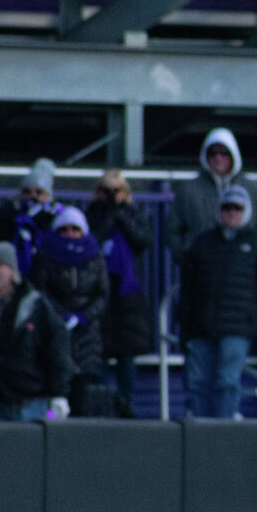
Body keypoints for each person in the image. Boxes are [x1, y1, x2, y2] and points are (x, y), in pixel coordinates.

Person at [178, 185, 257, 419]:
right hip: (201, 327)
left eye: (237, 208)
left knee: (226, 381)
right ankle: (198, 435)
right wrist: (185, 327)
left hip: (237, 327)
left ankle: (223, 434)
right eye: (226, 207)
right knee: (197, 382)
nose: (231, 212)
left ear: (246, 211)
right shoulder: (203, 243)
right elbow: (187, 289)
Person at [0, 243, 73, 422]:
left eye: (0, 264)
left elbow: (58, 350)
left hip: (32, 406)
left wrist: (59, 393)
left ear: (13, 270)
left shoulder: (37, 307)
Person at [168, 128, 257, 278]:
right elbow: (173, 229)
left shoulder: (252, 189)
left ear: (233, 155)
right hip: (201, 269)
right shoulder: (188, 190)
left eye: (224, 153)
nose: (218, 158)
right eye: (212, 153)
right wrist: (184, 258)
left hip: (243, 269)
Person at [30, 207, 110, 414]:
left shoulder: (95, 255)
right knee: (56, 395)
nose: (70, 234)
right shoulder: (45, 255)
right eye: (64, 229)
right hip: (55, 330)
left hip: (87, 336)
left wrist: (85, 316)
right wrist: (60, 316)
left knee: (84, 396)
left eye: (75, 229)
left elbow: (103, 293)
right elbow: (40, 290)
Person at [87, 170, 154, 415]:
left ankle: (127, 403)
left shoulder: (135, 215)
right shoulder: (91, 214)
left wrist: (120, 216)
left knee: (127, 355)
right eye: (107, 190)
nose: (112, 196)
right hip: (100, 289)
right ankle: (102, 404)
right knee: (101, 352)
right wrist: (108, 216)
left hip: (126, 292)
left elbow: (142, 240)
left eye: (117, 191)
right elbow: (92, 241)